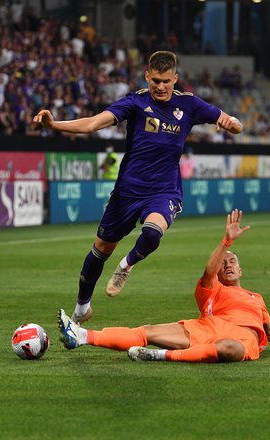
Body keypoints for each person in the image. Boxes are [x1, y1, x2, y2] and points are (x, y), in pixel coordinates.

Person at [33, 51, 242, 323]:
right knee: (100, 251)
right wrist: (54, 124)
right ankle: (82, 308)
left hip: (164, 191)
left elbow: (235, 125)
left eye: (166, 81)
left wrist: (232, 124)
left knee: (153, 232)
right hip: (127, 192)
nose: (161, 86)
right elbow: (94, 123)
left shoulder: (189, 105)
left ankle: (126, 265)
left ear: (175, 79)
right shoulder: (135, 102)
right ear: (147, 75)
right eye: (155, 80)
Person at [57, 209, 270, 363]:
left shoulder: (256, 298)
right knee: (146, 330)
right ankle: (80, 336)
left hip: (241, 336)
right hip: (206, 327)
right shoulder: (212, 289)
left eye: (232, 261)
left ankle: (159, 356)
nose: (227, 265)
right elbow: (208, 271)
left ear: (240, 270)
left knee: (231, 349)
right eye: (224, 262)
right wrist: (226, 243)